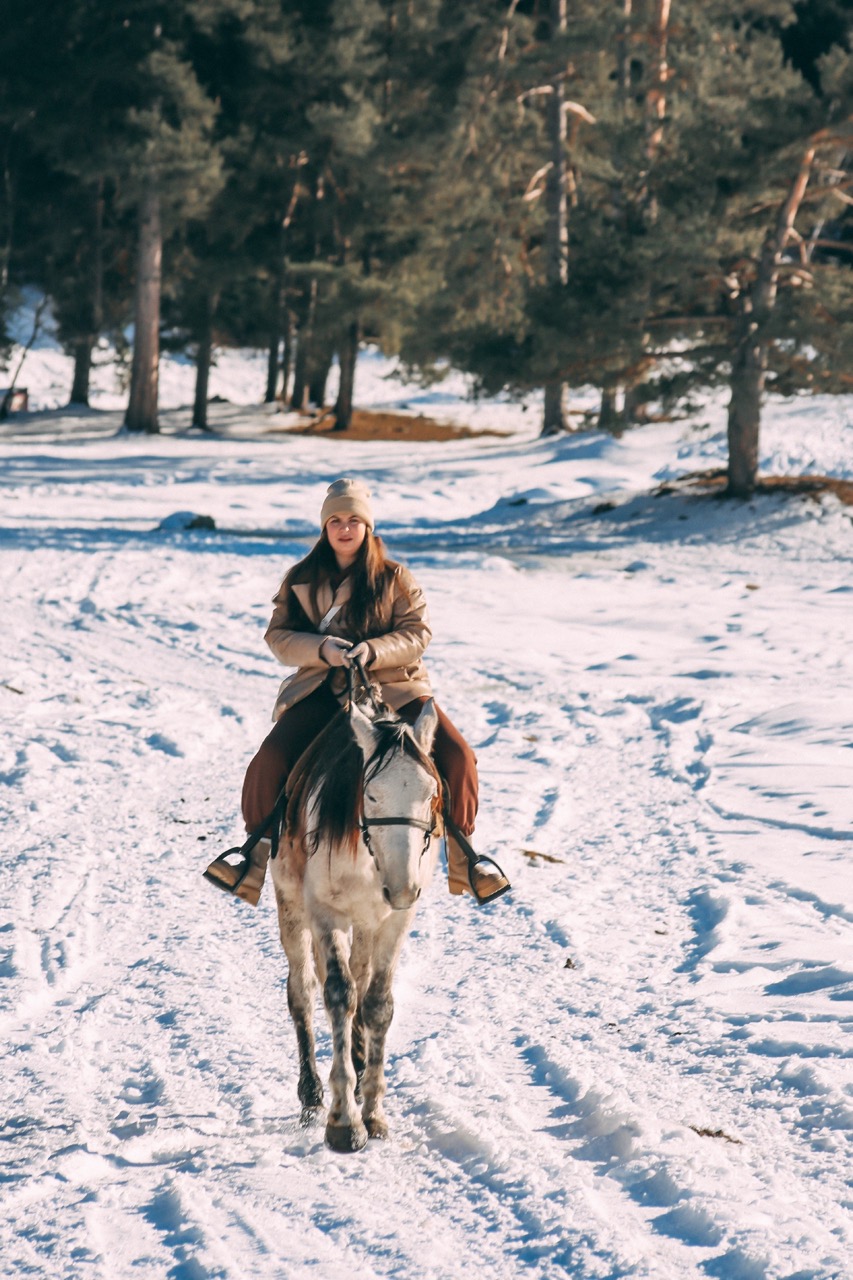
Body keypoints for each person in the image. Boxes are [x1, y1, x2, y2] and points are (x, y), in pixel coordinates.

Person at [204, 477, 510, 907]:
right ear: (325, 527)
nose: (345, 529)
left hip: (395, 690)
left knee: (458, 756)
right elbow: (278, 636)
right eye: (335, 521)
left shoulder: (395, 577)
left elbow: (417, 633)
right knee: (269, 760)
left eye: (353, 520)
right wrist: (322, 649)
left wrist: (374, 650)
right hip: (322, 692)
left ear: (368, 526)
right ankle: (251, 858)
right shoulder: (301, 578)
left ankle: (466, 860)